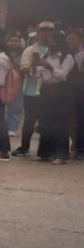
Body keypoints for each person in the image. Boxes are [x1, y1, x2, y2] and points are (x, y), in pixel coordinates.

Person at [35, 33, 75, 165]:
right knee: (45, 123)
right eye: (49, 43)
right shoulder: (46, 55)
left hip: (61, 91)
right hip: (46, 90)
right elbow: (40, 74)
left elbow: (62, 75)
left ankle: (61, 154)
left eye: (54, 43)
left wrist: (49, 66)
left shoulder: (67, 57)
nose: (51, 46)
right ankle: (45, 153)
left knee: (59, 123)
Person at [14, 25, 53, 156]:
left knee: (47, 121)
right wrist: (40, 66)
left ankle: (45, 150)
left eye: (49, 31)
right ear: (38, 33)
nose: (46, 34)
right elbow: (24, 67)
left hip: (49, 91)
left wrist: (39, 65)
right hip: (31, 91)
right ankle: (24, 147)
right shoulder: (30, 50)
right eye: (43, 31)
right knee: (29, 121)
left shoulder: (55, 50)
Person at [67, 29, 84, 159]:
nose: (71, 41)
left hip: (80, 91)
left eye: (74, 39)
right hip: (68, 91)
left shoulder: (82, 55)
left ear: (80, 40)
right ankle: (74, 145)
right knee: (71, 120)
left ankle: (78, 147)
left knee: (80, 120)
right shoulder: (64, 55)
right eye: (69, 38)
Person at [4, 33, 25, 137]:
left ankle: (12, 128)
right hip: (3, 83)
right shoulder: (2, 53)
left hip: (18, 83)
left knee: (16, 106)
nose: (13, 43)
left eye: (16, 41)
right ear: (7, 42)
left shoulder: (24, 54)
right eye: (11, 40)